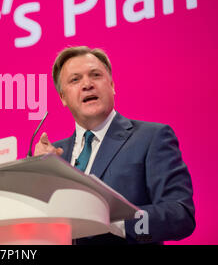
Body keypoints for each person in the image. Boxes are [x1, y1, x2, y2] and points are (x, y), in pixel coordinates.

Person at [34, 46, 195, 244]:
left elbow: (180, 215)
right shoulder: (56, 156)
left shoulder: (151, 137)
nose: (87, 84)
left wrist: (113, 221)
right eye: (75, 80)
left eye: (95, 75)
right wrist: (41, 173)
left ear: (111, 85)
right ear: (63, 97)